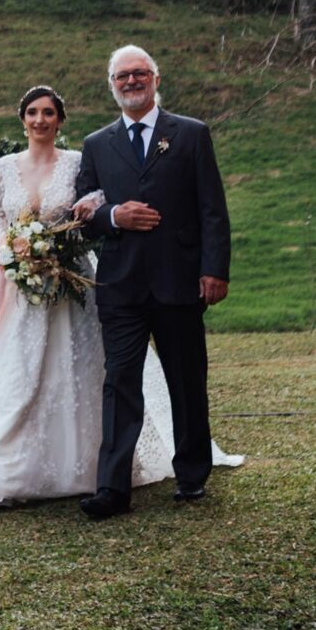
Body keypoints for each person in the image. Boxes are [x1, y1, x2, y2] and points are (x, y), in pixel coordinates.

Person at [0, 84, 239, 506]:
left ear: (60, 120)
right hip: (46, 285)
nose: (40, 120)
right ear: (22, 119)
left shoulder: (84, 158)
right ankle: (44, 475)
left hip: (87, 284)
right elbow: (0, 215)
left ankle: (173, 475)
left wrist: (212, 268)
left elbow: (92, 205)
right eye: (33, 113)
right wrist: (13, 251)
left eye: (48, 113)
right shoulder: (23, 162)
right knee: (48, 379)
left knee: (132, 378)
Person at [73, 45, 238, 520]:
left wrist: (215, 269)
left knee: (186, 380)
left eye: (139, 73)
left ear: (155, 77)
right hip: (121, 286)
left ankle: (191, 476)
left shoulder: (190, 134)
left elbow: (212, 209)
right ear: (111, 84)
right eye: (122, 76)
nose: (131, 82)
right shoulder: (97, 144)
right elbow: (82, 218)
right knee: (120, 382)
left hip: (179, 279)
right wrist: (113, 215)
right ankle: (112, 488)